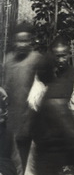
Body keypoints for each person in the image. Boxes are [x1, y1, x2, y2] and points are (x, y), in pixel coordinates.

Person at [24, 36, 74, 175]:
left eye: (64, 55)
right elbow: (33, 101)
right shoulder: (44, 74)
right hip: (45, 144)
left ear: (69, 54)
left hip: (64, 145)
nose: (62, 59)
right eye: (58, 56)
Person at [3, 22, 42, 167]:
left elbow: (41, 88)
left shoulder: (36, 59)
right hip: (12, 114)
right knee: (11, 150)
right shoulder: (8, 60)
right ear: (14, 42)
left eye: (26, 40)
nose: (22, 44)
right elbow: (6, 87)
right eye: (19, 41)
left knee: (26, 150)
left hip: (29, 114)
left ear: (31, 41)